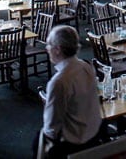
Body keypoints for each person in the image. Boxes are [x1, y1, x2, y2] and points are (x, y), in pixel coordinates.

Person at [35, 25, 102, 159]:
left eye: (49, 45)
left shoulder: (58, 82)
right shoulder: (86, 66)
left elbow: (51, 127)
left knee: (38, 141)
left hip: (74, 142)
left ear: (58, 49)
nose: (47, 48)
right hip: (94, 133)